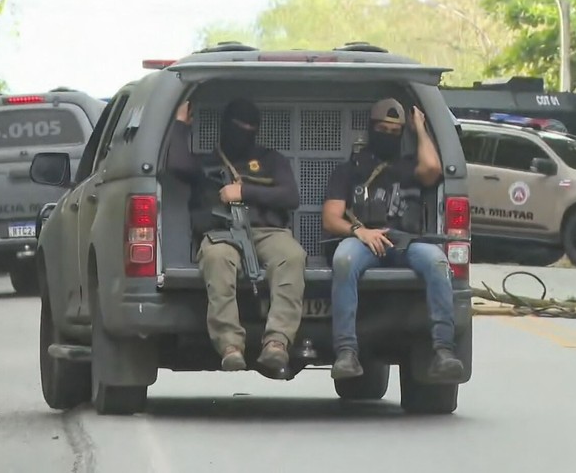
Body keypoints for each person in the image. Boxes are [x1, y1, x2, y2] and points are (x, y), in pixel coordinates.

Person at [321, 97, 465, 381]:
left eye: (394, 131)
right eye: (382, 129)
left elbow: (433, 169)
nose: (387, 135)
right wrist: (359, 232)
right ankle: (347, 353)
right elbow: (330, 218)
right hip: (364, 242)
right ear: (370, 129)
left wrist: (420, 129)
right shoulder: (350, 170)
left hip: (405, 242)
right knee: (343, 260)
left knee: (437, 262)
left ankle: (443, 352)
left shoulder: (409, 167)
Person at [166, 98, 307, 376]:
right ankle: (230, 346)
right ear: (224, 127)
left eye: (249, 128)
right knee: (217, 259)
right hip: (222, 234)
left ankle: (277, 342)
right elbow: (176, 163)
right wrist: (181, 124)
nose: (243, 134)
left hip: (267, 232)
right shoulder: (207, 163)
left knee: (292, 256)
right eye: (238, 127)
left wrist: (244, 193)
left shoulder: (270, 159)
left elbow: (290, 196)